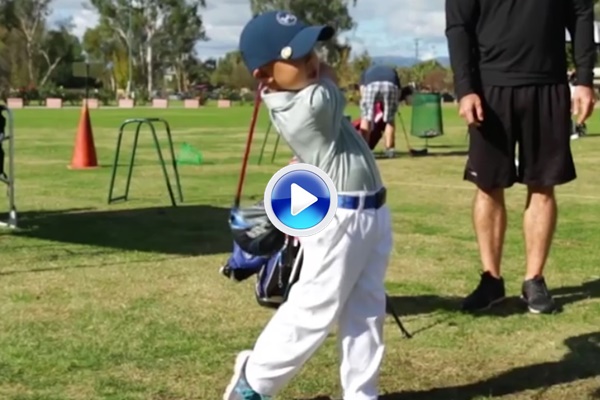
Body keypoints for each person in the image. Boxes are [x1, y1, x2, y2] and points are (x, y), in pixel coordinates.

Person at [224, 10, 392, 400]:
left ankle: (362, 394)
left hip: (370, 210)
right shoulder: (310, 105)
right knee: (314, 309)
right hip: (342, 217)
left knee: (367, 307)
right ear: (264, 75)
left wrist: (303, 65)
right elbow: (330, 79)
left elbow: (322, 75)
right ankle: (253, 382)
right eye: (296, 56)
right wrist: (321, 72)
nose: (311, 61)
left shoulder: (302, 92)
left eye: (310, 51)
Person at [445, 0, 596, 314]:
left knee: (543, 184)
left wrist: (584, 79)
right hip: (489, 88)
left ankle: (534, 281)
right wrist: (465, 88)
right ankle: (491, 280)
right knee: (487, 185)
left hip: (547, 84)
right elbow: (458, 25)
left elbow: (581, 12)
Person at [359, 65, 401, 158]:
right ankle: (390, 150)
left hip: (371, 86)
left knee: (366, 118)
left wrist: (365, 107)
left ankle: (364, 150)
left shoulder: (366, 71)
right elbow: (398, 91)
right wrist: (394, 106)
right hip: (390, 86)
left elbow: (362, 89)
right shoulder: (392, 70)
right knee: (390, 120)